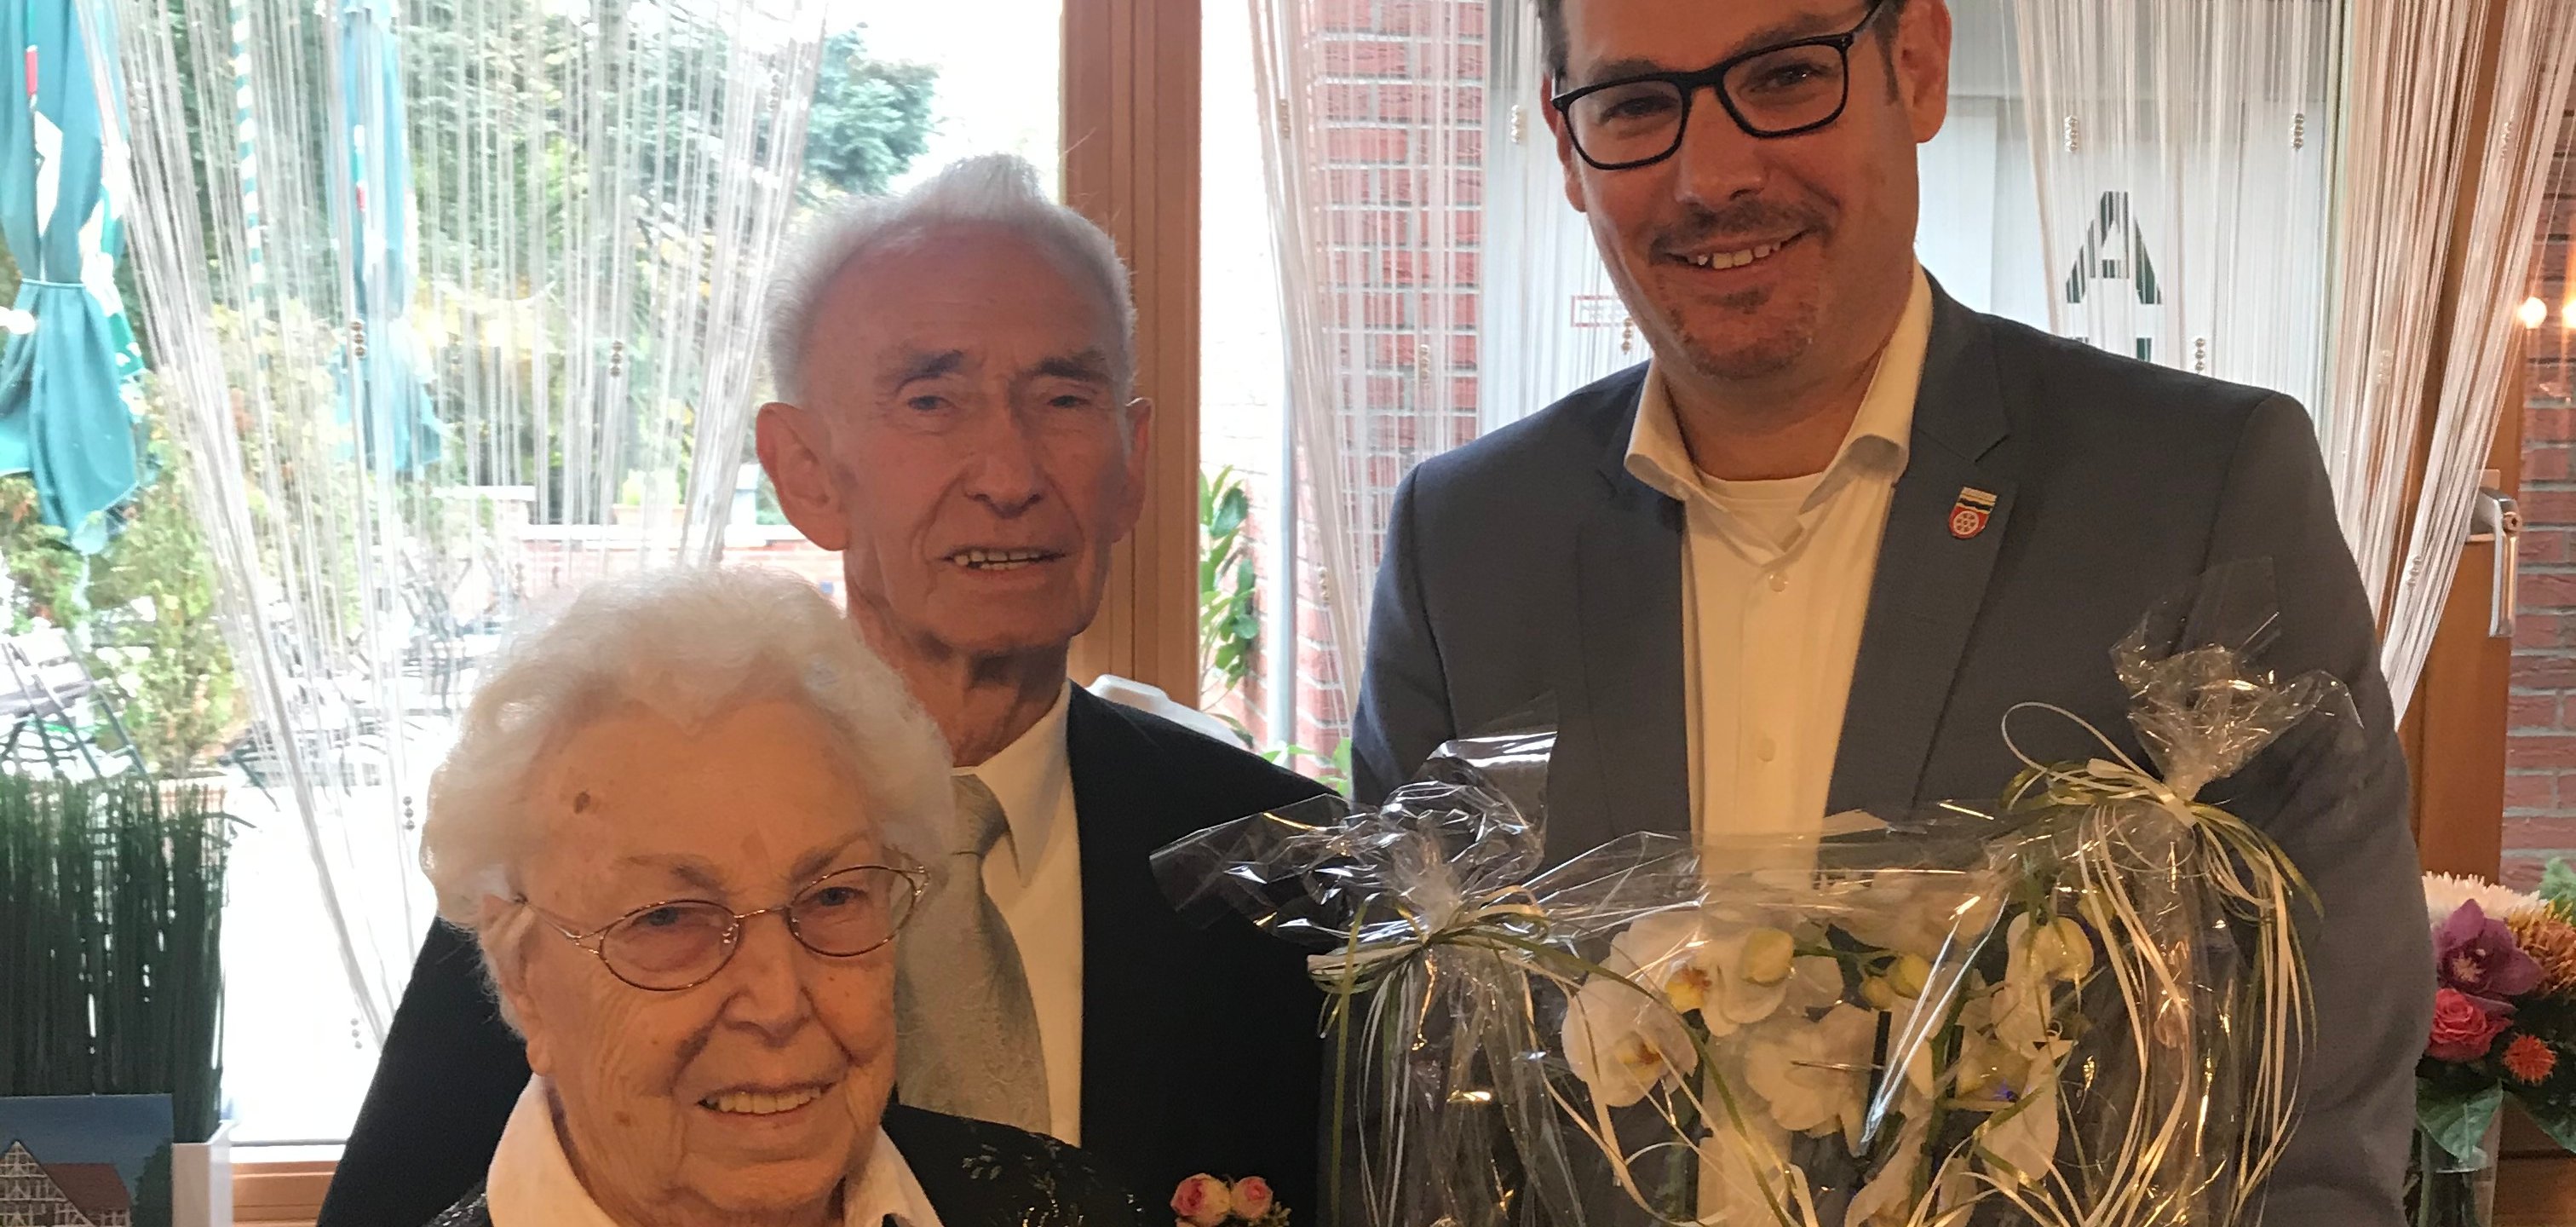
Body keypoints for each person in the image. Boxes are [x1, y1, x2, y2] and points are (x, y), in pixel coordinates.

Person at [1348, 0, 2426, 1221]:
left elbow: (2325, 1093)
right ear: (1564, 139)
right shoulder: (1466, 543)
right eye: (1637, 103)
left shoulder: (2198, 491)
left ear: (1916, 65)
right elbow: (1408, 1102)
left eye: (1785, 74)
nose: (1714, 176)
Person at [319, 156, 1331, 1227]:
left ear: (1132, 459)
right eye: (932, 400)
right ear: (802, 468)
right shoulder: (588, 857)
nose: (1009, 474)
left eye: (1064, 399)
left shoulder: (1288, 865)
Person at [410, 566, 1149, 1226]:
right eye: (667, 918)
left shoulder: (1067, 1208)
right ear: (525, 979)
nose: (777, 1002)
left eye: (832, 899)